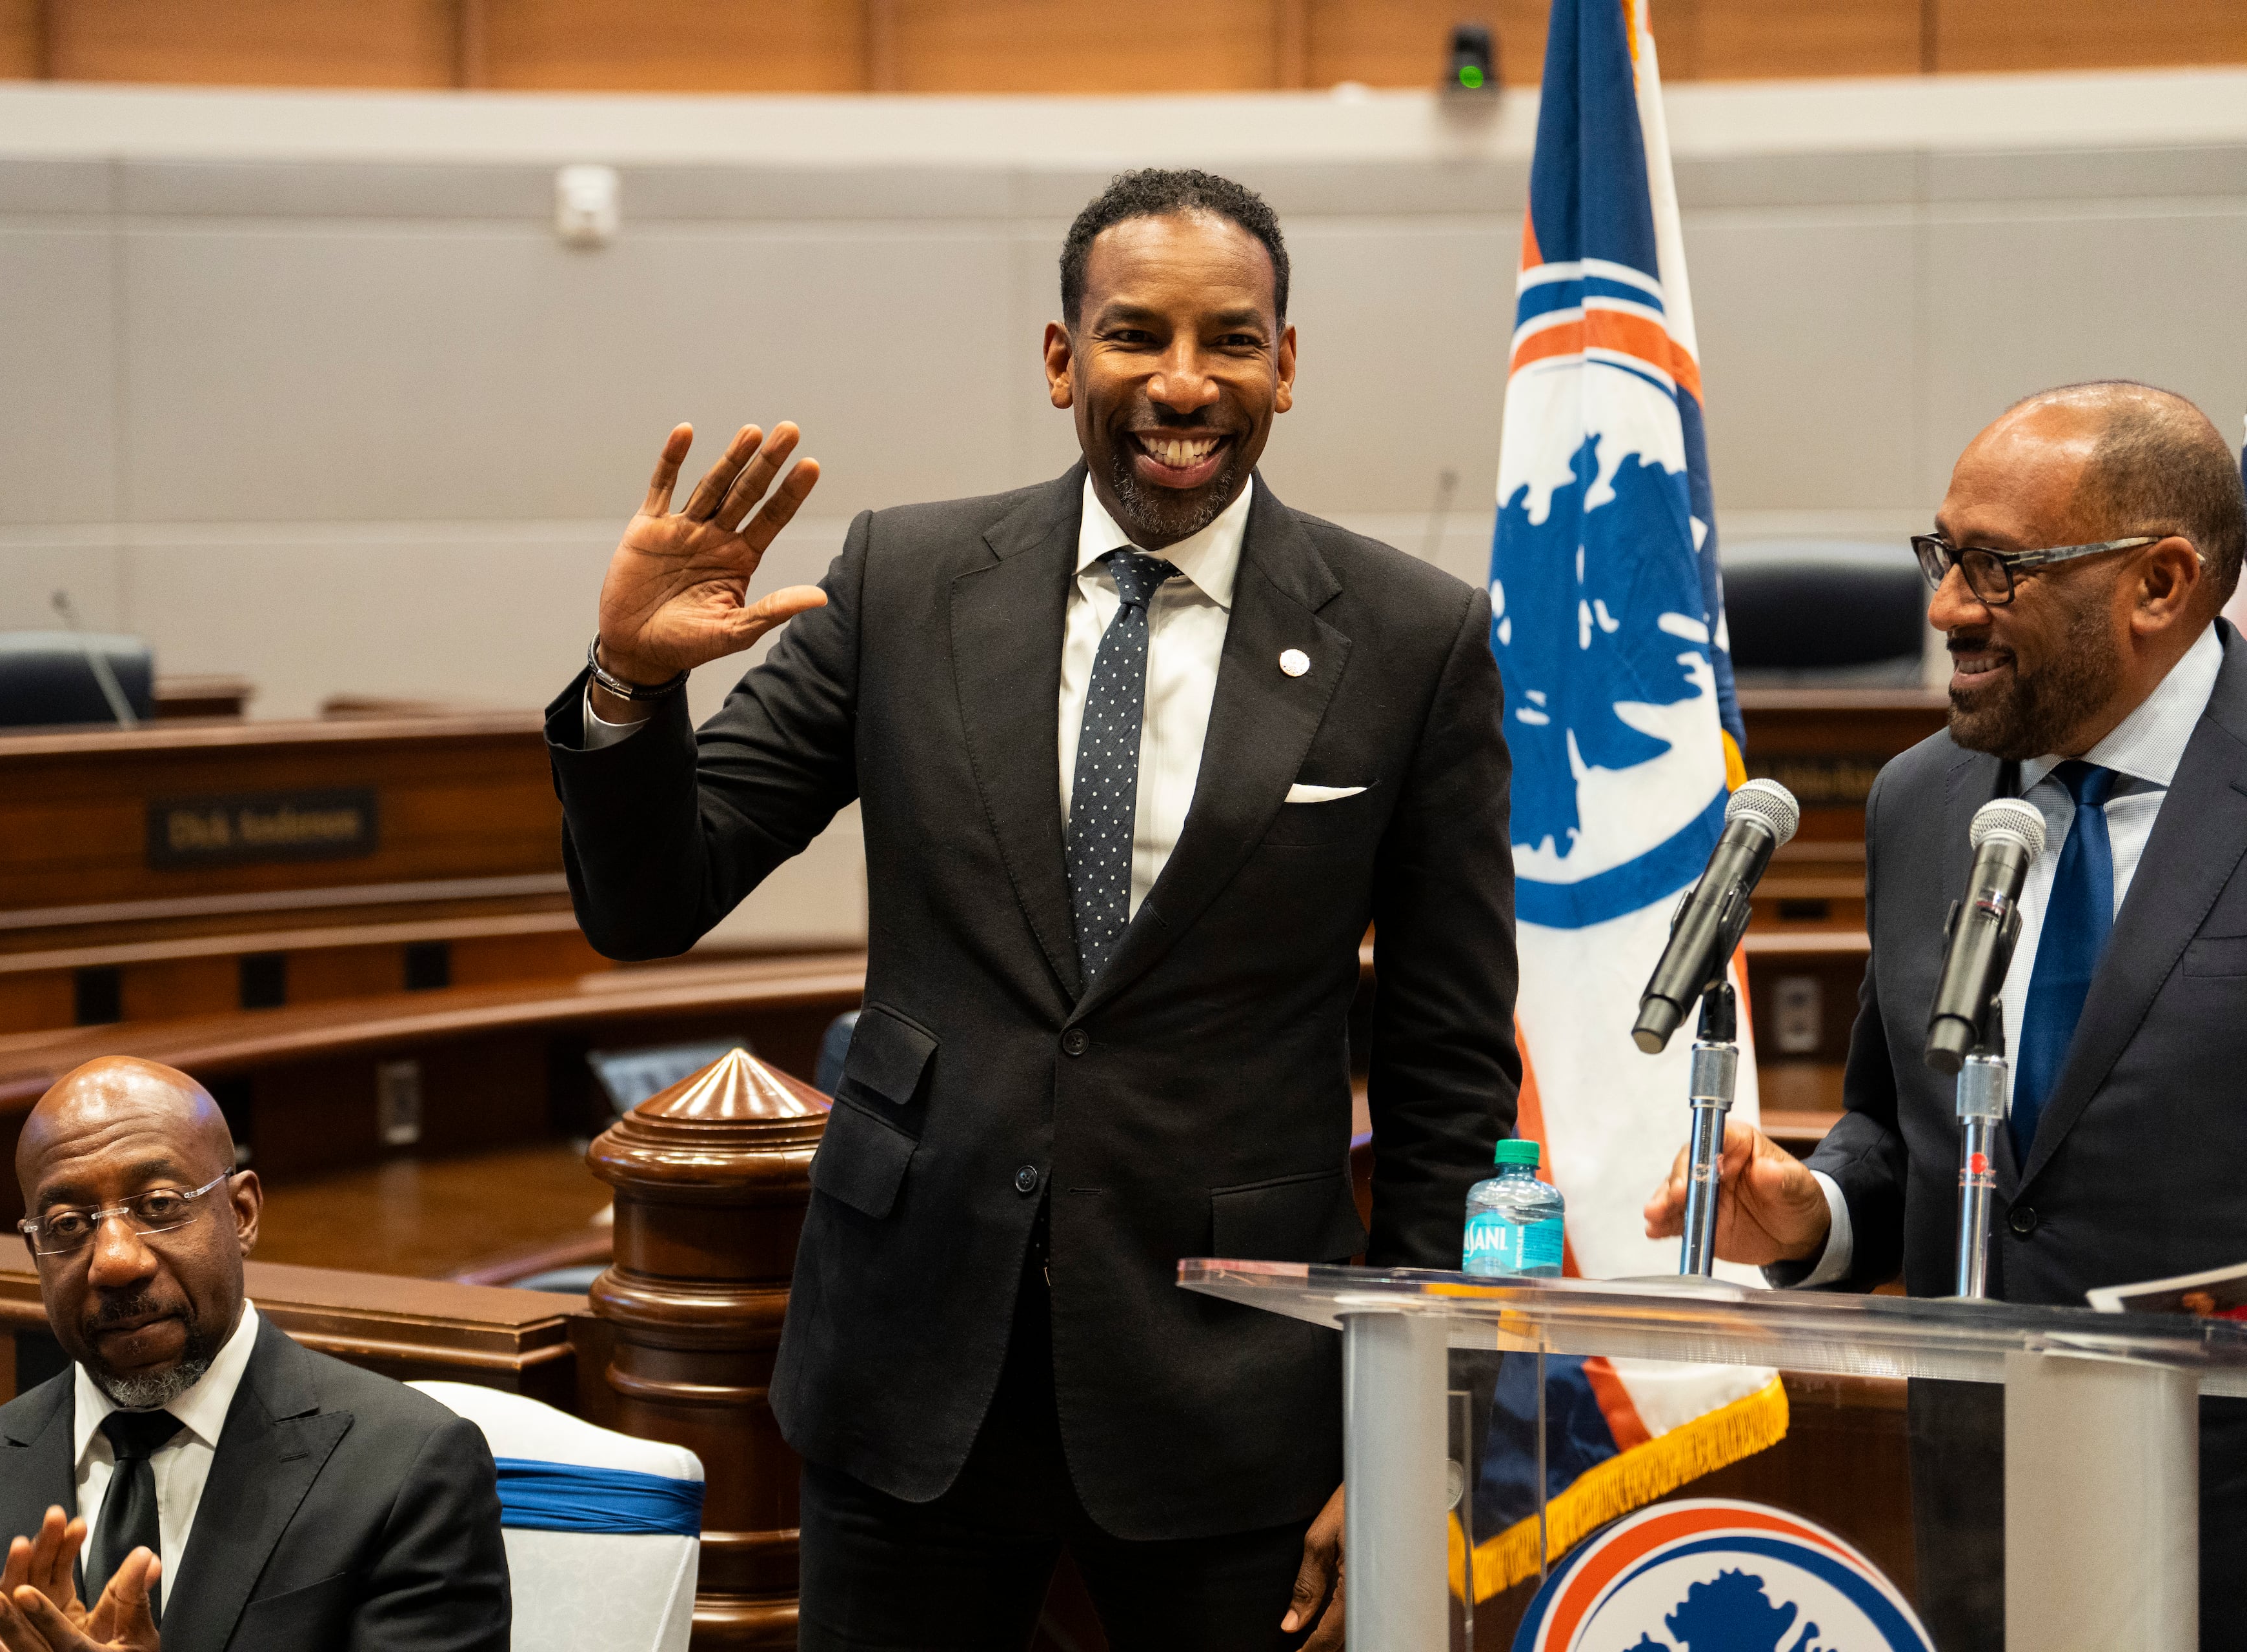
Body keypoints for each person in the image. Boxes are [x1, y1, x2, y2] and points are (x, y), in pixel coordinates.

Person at [544, 168, 1520, 1649]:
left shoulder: (1410, 638)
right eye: (1134, 335)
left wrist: (1406, 1435)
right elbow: (652, 897)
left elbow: (1448, 1079)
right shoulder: (903, 580)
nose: (1181, 384)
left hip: (1237, 1397)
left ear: (1287, 365)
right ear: (1061, 357)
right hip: (908, 1370)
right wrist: (629, 683)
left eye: (1230, 341)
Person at [1644, 380, 2247, 1649]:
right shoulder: (1921, 799)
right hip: (1978, 1498)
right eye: (1944, 555)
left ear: (2162, 582)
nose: (1946, 608)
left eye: (1997, 567)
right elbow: (1892, 1115)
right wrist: (1820, 1207)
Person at [0, 1056, 511, 1652]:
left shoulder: (408, 1470)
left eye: (159, 1205)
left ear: (244, 1212)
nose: (115, 1261)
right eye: (68, 1225)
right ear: (35, 1254)